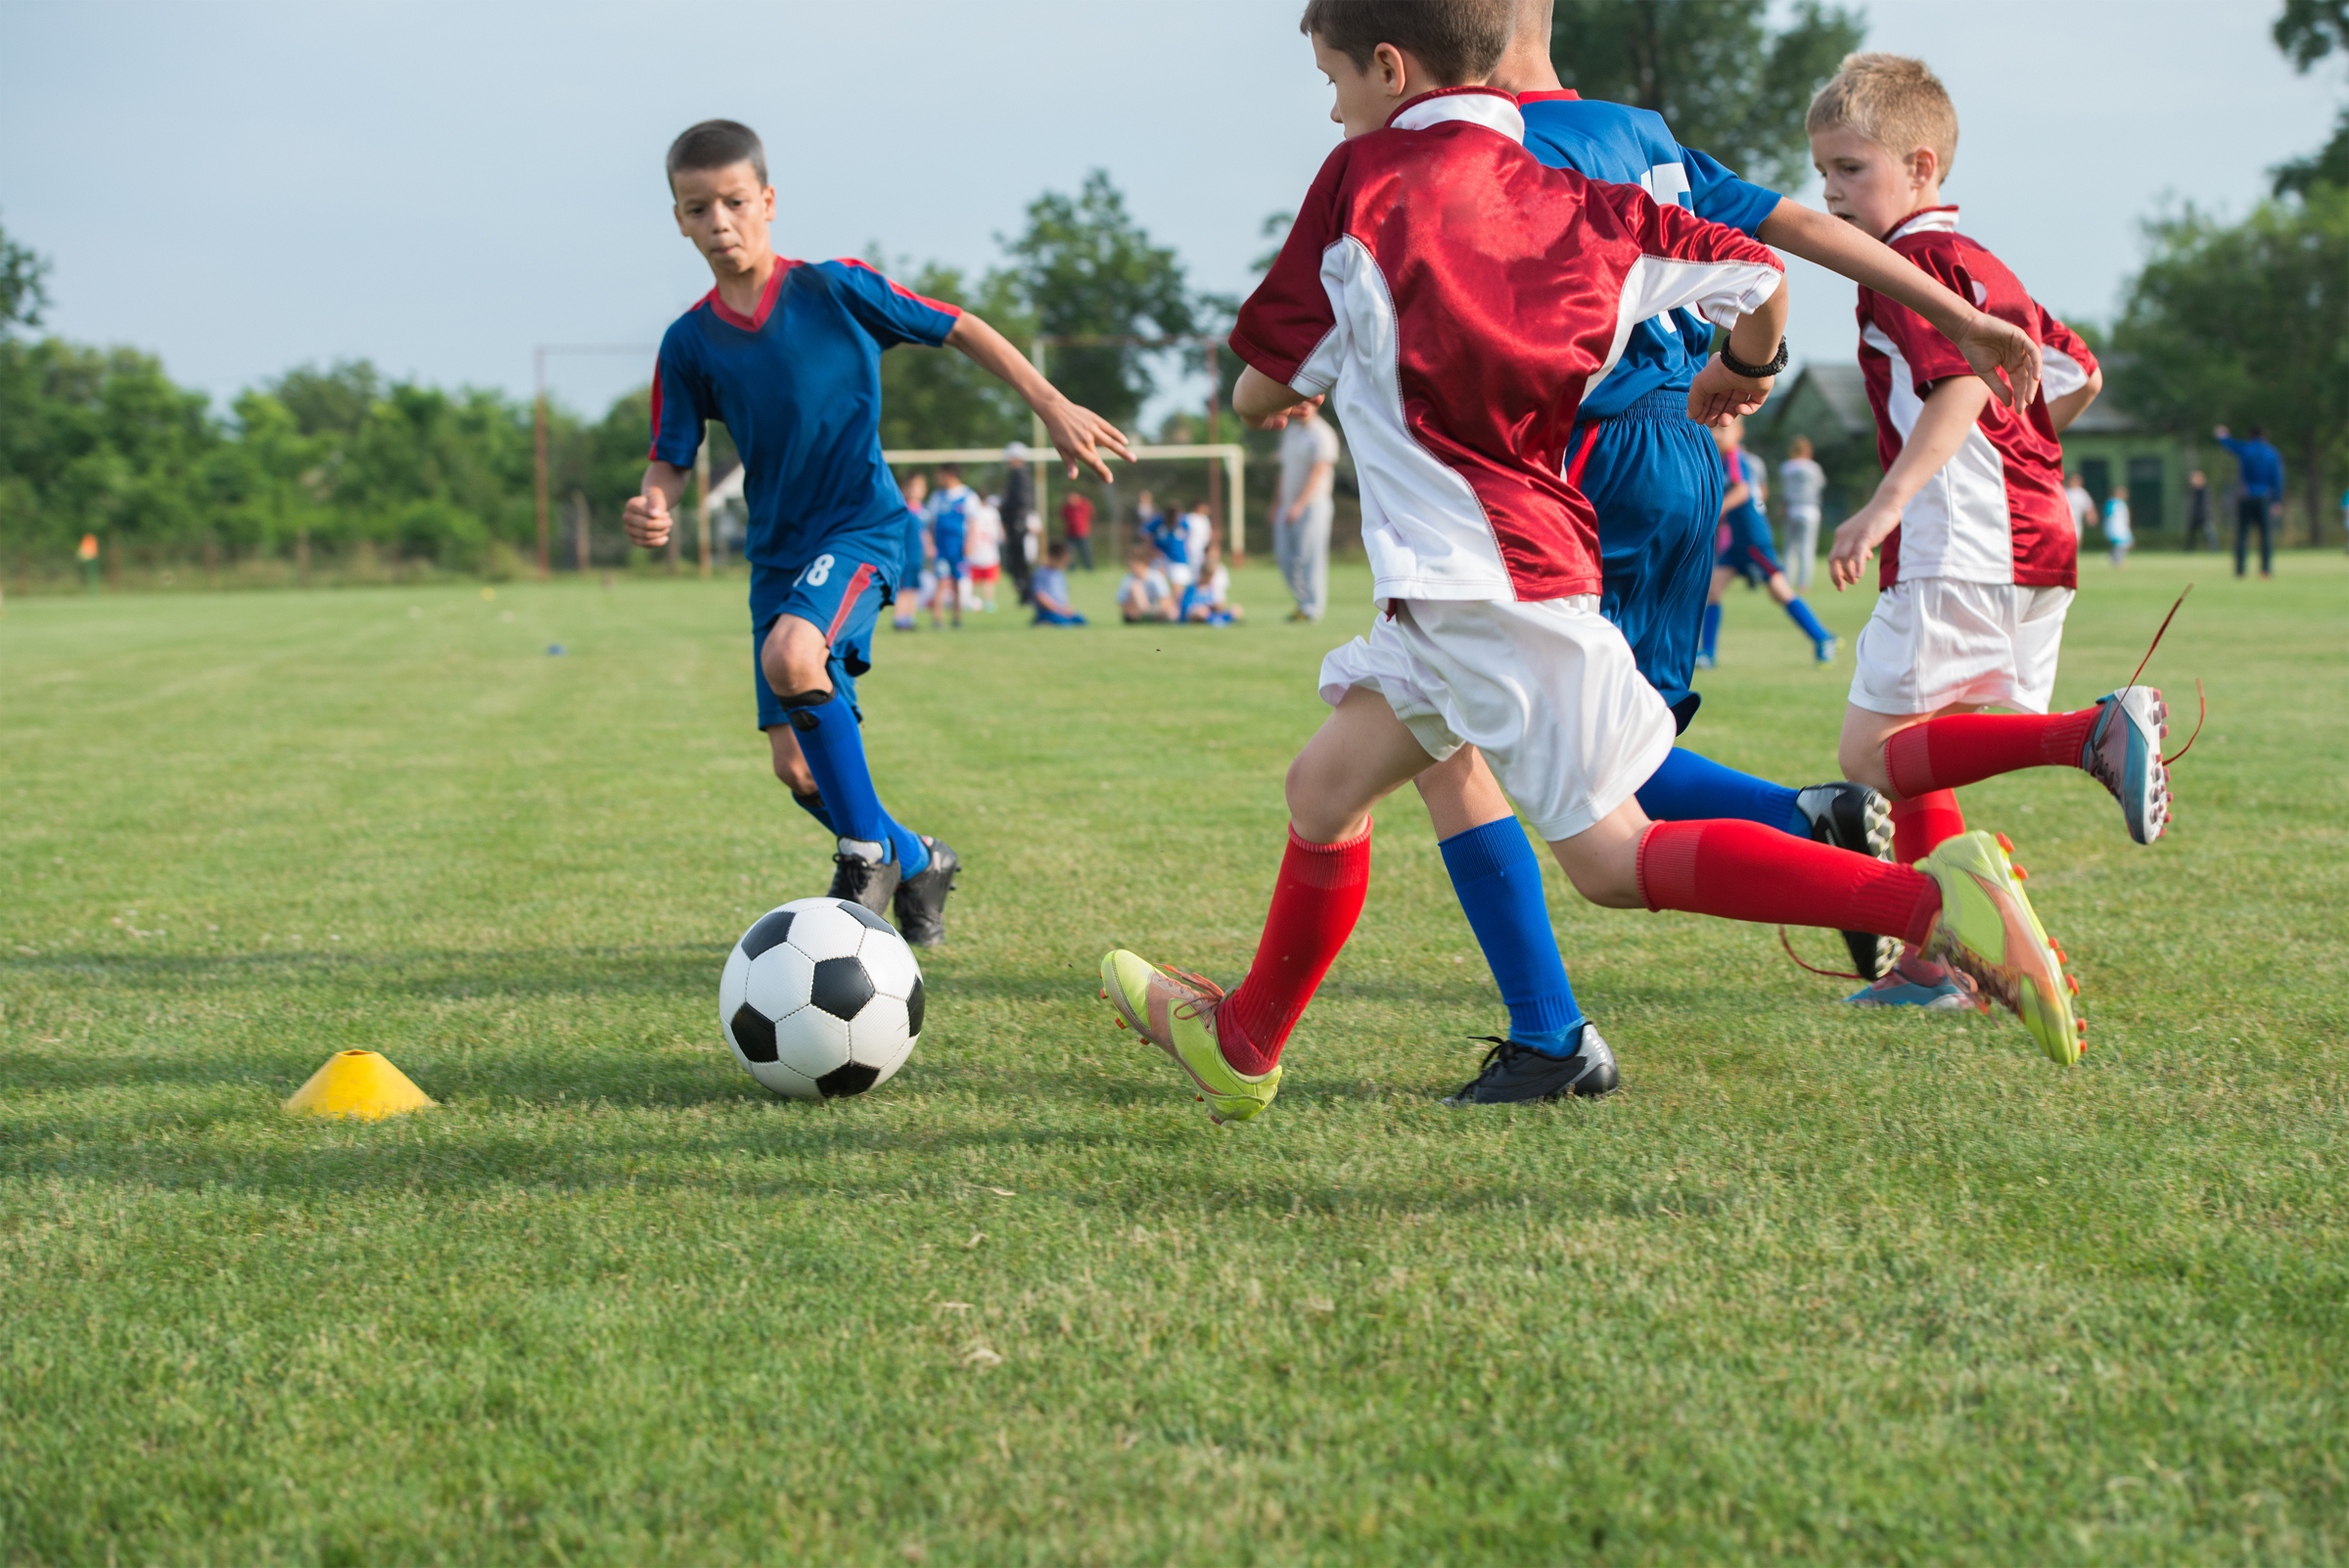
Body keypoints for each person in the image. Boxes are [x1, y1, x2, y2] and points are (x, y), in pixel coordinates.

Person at [1097, 4, 2082, 1130]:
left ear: (1388, 65)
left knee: (1615, 859)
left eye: (1332, 79)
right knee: (1322, 791)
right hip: (1485, 574)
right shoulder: (1586, 202)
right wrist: (1743, 370)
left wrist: (1316, 371)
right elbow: (1763, 274)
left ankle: (1928, 904)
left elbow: (1257, 389)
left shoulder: (1359, 178)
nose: (1329, 107)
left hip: (1486, 582)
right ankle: (1243, 1044)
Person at [1397, 0, 2062, 1089]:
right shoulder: (1641, 133)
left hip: (1577, 461)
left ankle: (1553, 1033)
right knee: (1594, 741)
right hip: (1684, 454)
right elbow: (1786, 238)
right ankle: (1815, 827)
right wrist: (1761, 365)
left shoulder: (1477, 148)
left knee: (1519, 769)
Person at [624, 119, 1128, 944]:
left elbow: (958, 324)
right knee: (794, 765)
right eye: (698, 208)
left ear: (769, 202)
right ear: (678, 219)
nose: (721, 223)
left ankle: (866, 855)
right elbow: (671, 456)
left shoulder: (834, 290)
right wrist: (655, 501)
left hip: (861, 527)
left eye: (736, 202)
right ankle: (916, 855)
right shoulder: (689, 343)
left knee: (792, 656)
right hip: (777, 559)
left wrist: (1049, 402)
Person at [1807, 55, 2172, 1011]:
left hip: (1957, 536)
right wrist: (2020, 459)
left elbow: (1965, 382)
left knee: (1872, 755)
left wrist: (1887, 501)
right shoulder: (1985, 262)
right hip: (2029, 534)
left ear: (1922, 168)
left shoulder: (1911, 266)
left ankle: (2092, 735)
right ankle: (1940, 962)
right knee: (1921, 737)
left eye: (1851, 169)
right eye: (1822, 175)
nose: (1832, 193)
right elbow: (2078, 374)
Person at [1698, 415, 1838, 667]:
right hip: (1737, 543)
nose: (1716, 434)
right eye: (1712, 428)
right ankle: (1707, 654)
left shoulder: (1735, 457)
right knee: (1713, 591)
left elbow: (1742, 491)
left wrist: (1715, 512)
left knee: (1779, 592)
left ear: (1738, 433)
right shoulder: (1720, 460)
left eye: (1723, 429)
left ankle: (1823, 637)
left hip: (1753, 540)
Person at [1275, 401, 1341, 622]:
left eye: (1307, 403)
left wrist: (1300, 504)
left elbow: (1320, 470)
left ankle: (1312, 608)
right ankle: (1302, 604)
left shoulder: (1322, 433)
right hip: (1287, 505)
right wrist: (1278, 503)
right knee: (1285, 557)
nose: (1302, 408)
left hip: (1313, 504)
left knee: (1309, 557)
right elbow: (1284, 470)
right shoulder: (1291, 431)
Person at [2214, 423, 2282, 578]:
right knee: (2265, 535)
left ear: (2250, 435)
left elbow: (2229, 445)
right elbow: (2277, 479)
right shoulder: (2272, 453)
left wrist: (2222, 435)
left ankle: (2240, 571)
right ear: (2265, 435)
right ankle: (2265, 570)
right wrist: (2277, 500)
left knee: (2242, 534)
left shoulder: (2246, 449)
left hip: (2246, 496)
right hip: (2264, 497)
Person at [924, 463, 975, 629]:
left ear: (950, 474)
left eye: (939, 474)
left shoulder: (967, 496)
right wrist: (930, 544)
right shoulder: (937, 497)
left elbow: (972, 523)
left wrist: (969, 543)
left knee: (957, 583)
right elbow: (930, 524)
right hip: (942, 548)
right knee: (941, 582)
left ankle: (956, 618)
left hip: (958, 548)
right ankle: (937, 620)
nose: (936, 478)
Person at [1778, 436, 1825, 589]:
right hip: (1810, 509)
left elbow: (1784, 490)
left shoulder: (1787, 467)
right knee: (1807, 548)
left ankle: (1786, 581)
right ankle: (1803, 583)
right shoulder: (1814, 467)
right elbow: (1820, 486)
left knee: (1789, 548)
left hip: (1792, 508)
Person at [1000, 441, 1038, 605]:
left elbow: (1021, 500)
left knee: (1020, 560)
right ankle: (1024, 592)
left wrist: (1005, 505)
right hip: (1017, 520)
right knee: (1017, 560)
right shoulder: (1018, 475)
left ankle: (1027, 593)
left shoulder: (1020, 475)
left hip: (1018, 521)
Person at [1185, 537, 1243, 625]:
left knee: (1237, 609)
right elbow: (1188, 607)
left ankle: (1217, 620)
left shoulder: (1212, 587)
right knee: (1201, 612)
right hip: (1198, 612)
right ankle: (1216, 620)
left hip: (1212, 612)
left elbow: (1219, 601)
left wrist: (1216, 606)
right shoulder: (1193, 588)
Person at [1117, 542, 1175, 623]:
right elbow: (1122, 602)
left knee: (1172, 612)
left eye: (1134, 564)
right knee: (1135, 586)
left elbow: (1166, 599)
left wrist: (1157, 610)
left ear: (1143, 563)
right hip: (1138, 610)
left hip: (1156, 608)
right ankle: (1146, 616)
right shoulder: (1128, 579)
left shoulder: (1155, 577)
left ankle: (1151, 616)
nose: (1131, 567)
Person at [965, 492, 1003, 611]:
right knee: (988, 580)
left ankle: (973, 600)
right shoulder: (992, 512)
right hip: (989, 550)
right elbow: (999, 530)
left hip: (977, 550)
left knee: (974, 580)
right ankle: (988, 602)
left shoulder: (973, 512)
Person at [1032, 539, 1085, 625]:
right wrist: (1058, 609)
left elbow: (1063, 594)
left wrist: (1067, 608)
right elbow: (1040, 596)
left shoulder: (1060, 574)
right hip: (1047, 611)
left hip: (1061, 610)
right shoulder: (1042, 573)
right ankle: (1042, 622)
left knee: (1081, 621)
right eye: (1061, 562)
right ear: (1051, 558)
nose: (1063, 565)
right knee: (1065, 624)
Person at [1059, 488, 1096, 571]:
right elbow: (1063, 516)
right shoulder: (1066, 507)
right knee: (1070, 553)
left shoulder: (1084, 505)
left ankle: (1089, 568)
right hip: (1070, 533)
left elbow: (1092, 514)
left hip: (1083, 533)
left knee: (1086, 552)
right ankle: (1072, 569)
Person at [2182, 470, 2214, 553]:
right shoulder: (2194, 491)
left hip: (2203, 515)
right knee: (2191, 535)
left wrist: (2205, 514)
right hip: (2195, 516)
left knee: (2209, 533)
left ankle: (2213, 549)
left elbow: (2206, 504)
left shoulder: (2204, 491)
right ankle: (2189, 549)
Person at [2101, 484, 2133, 568]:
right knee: (2122, 544)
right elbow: (2109, 514)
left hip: (2122, 527)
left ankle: (2113, 555)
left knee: (2127, 543)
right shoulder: (2112, 502)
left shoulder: (2121, 503)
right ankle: (2117, 560)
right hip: (2115, 527)